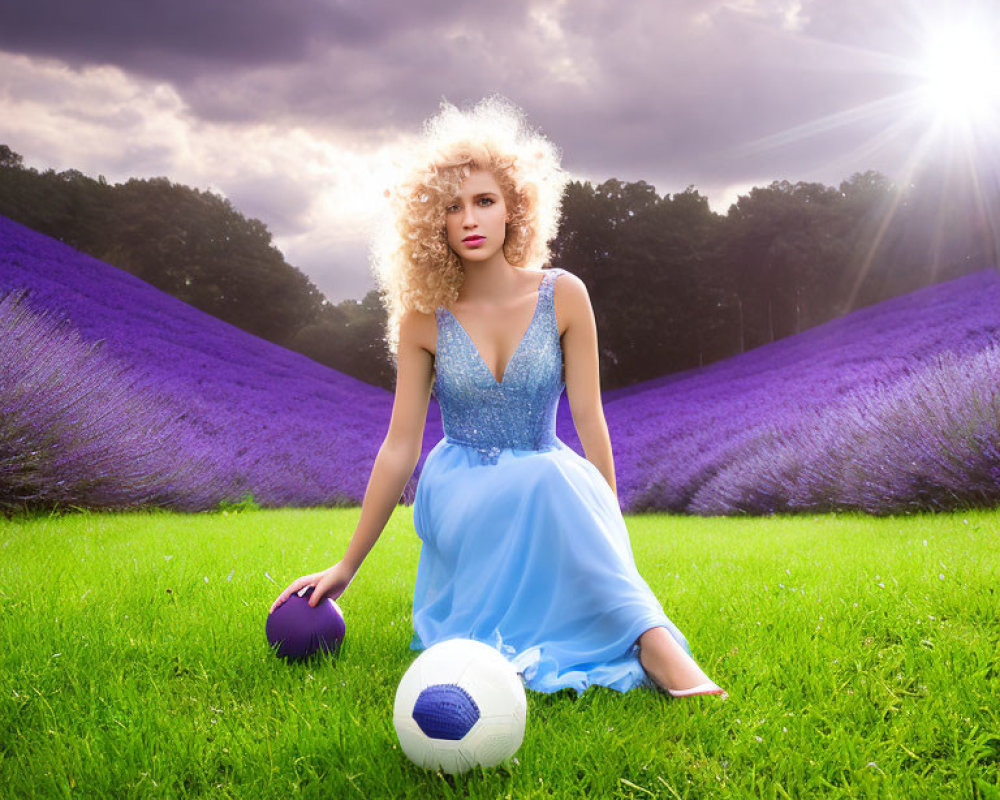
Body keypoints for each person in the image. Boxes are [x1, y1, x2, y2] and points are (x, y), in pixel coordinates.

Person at [270, 95, 725, 699]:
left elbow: (589, 417)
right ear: (434, 224)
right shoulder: (422, 321)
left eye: (484, 200)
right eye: (452, 207)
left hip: (549, 474)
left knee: (552, 480)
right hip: (462, 490)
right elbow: (399, 448)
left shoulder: (565, 294)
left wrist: (610, 527)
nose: (470, 218)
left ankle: (651, 639)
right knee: (545, 483)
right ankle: (651, 647)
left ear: (515, 207)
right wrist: (346, 565)